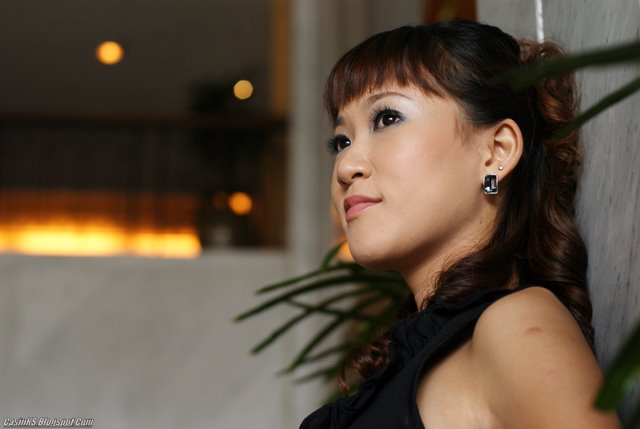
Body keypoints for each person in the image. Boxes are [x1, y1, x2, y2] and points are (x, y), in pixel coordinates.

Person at [299, 20, 622, 429]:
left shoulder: (515, 323)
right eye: (341, 141)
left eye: (387, 118)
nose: (346, 166)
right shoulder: (411, 356)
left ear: (496, 152)